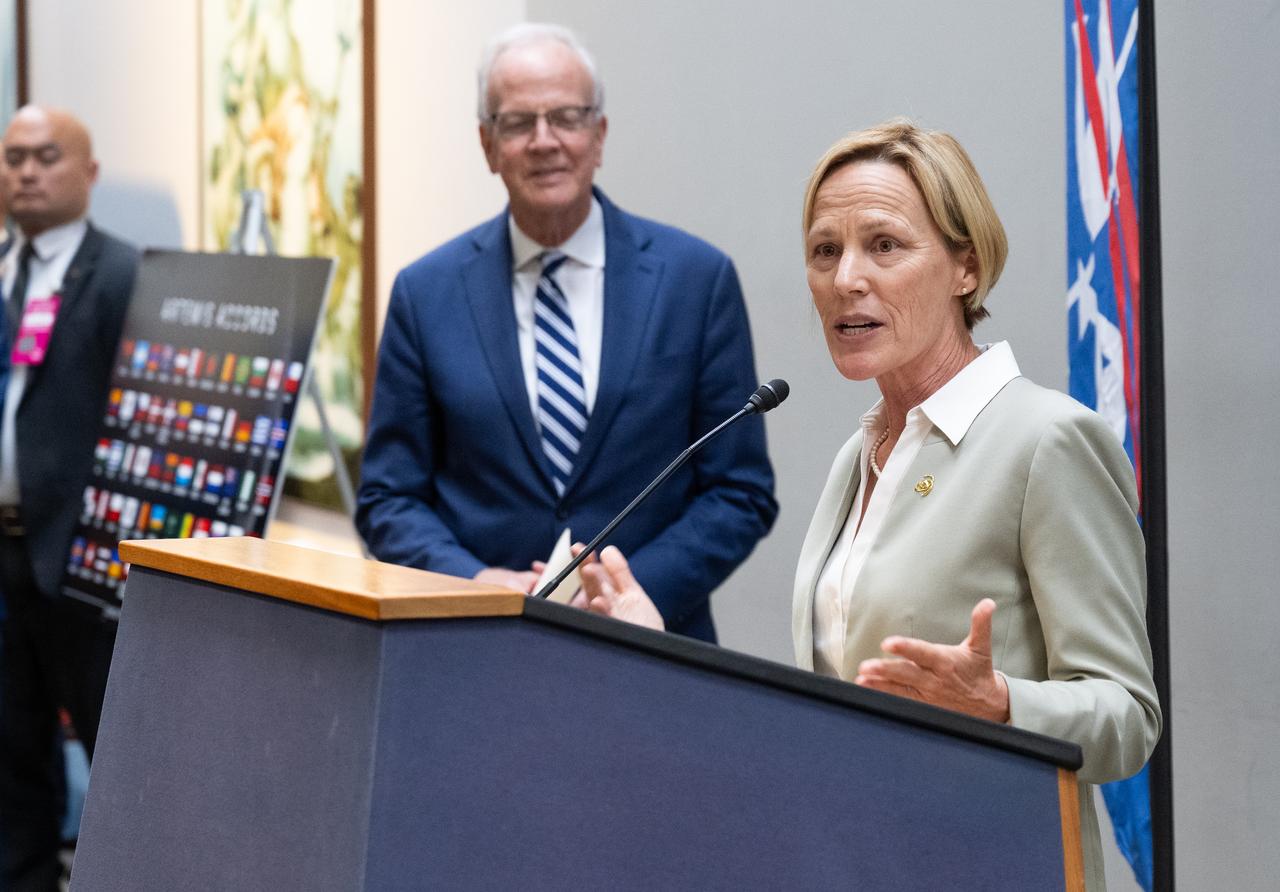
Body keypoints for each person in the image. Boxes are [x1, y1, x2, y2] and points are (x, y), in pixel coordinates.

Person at [574, 119, 1161, 890]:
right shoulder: (864, 453)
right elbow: (832, 705)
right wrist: (658, 647)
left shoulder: (1047, 441)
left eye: (884, 245)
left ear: (965, 267)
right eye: (825, 250)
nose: (847, 277)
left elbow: (1127, 715)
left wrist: (1003, 704)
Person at [356, 23, 776, 641]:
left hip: (655, 649)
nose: (544, 141)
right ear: (487, 144)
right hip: (475, 648)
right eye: (519, 122)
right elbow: (388, 499)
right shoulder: (426, 294)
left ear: (599, 135)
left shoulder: (696, 280)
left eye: (567, 117)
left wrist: (625, 593)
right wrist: (471, 580)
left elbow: (739, 490)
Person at [0, 105, 139, 890]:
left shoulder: (125, 274)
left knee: (111, 751)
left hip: (84, 564)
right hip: (4, 558)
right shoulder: (0, 269)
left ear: (87, 173)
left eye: (46, 156)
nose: (25, 172)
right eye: (13, 157)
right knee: (13, 758)